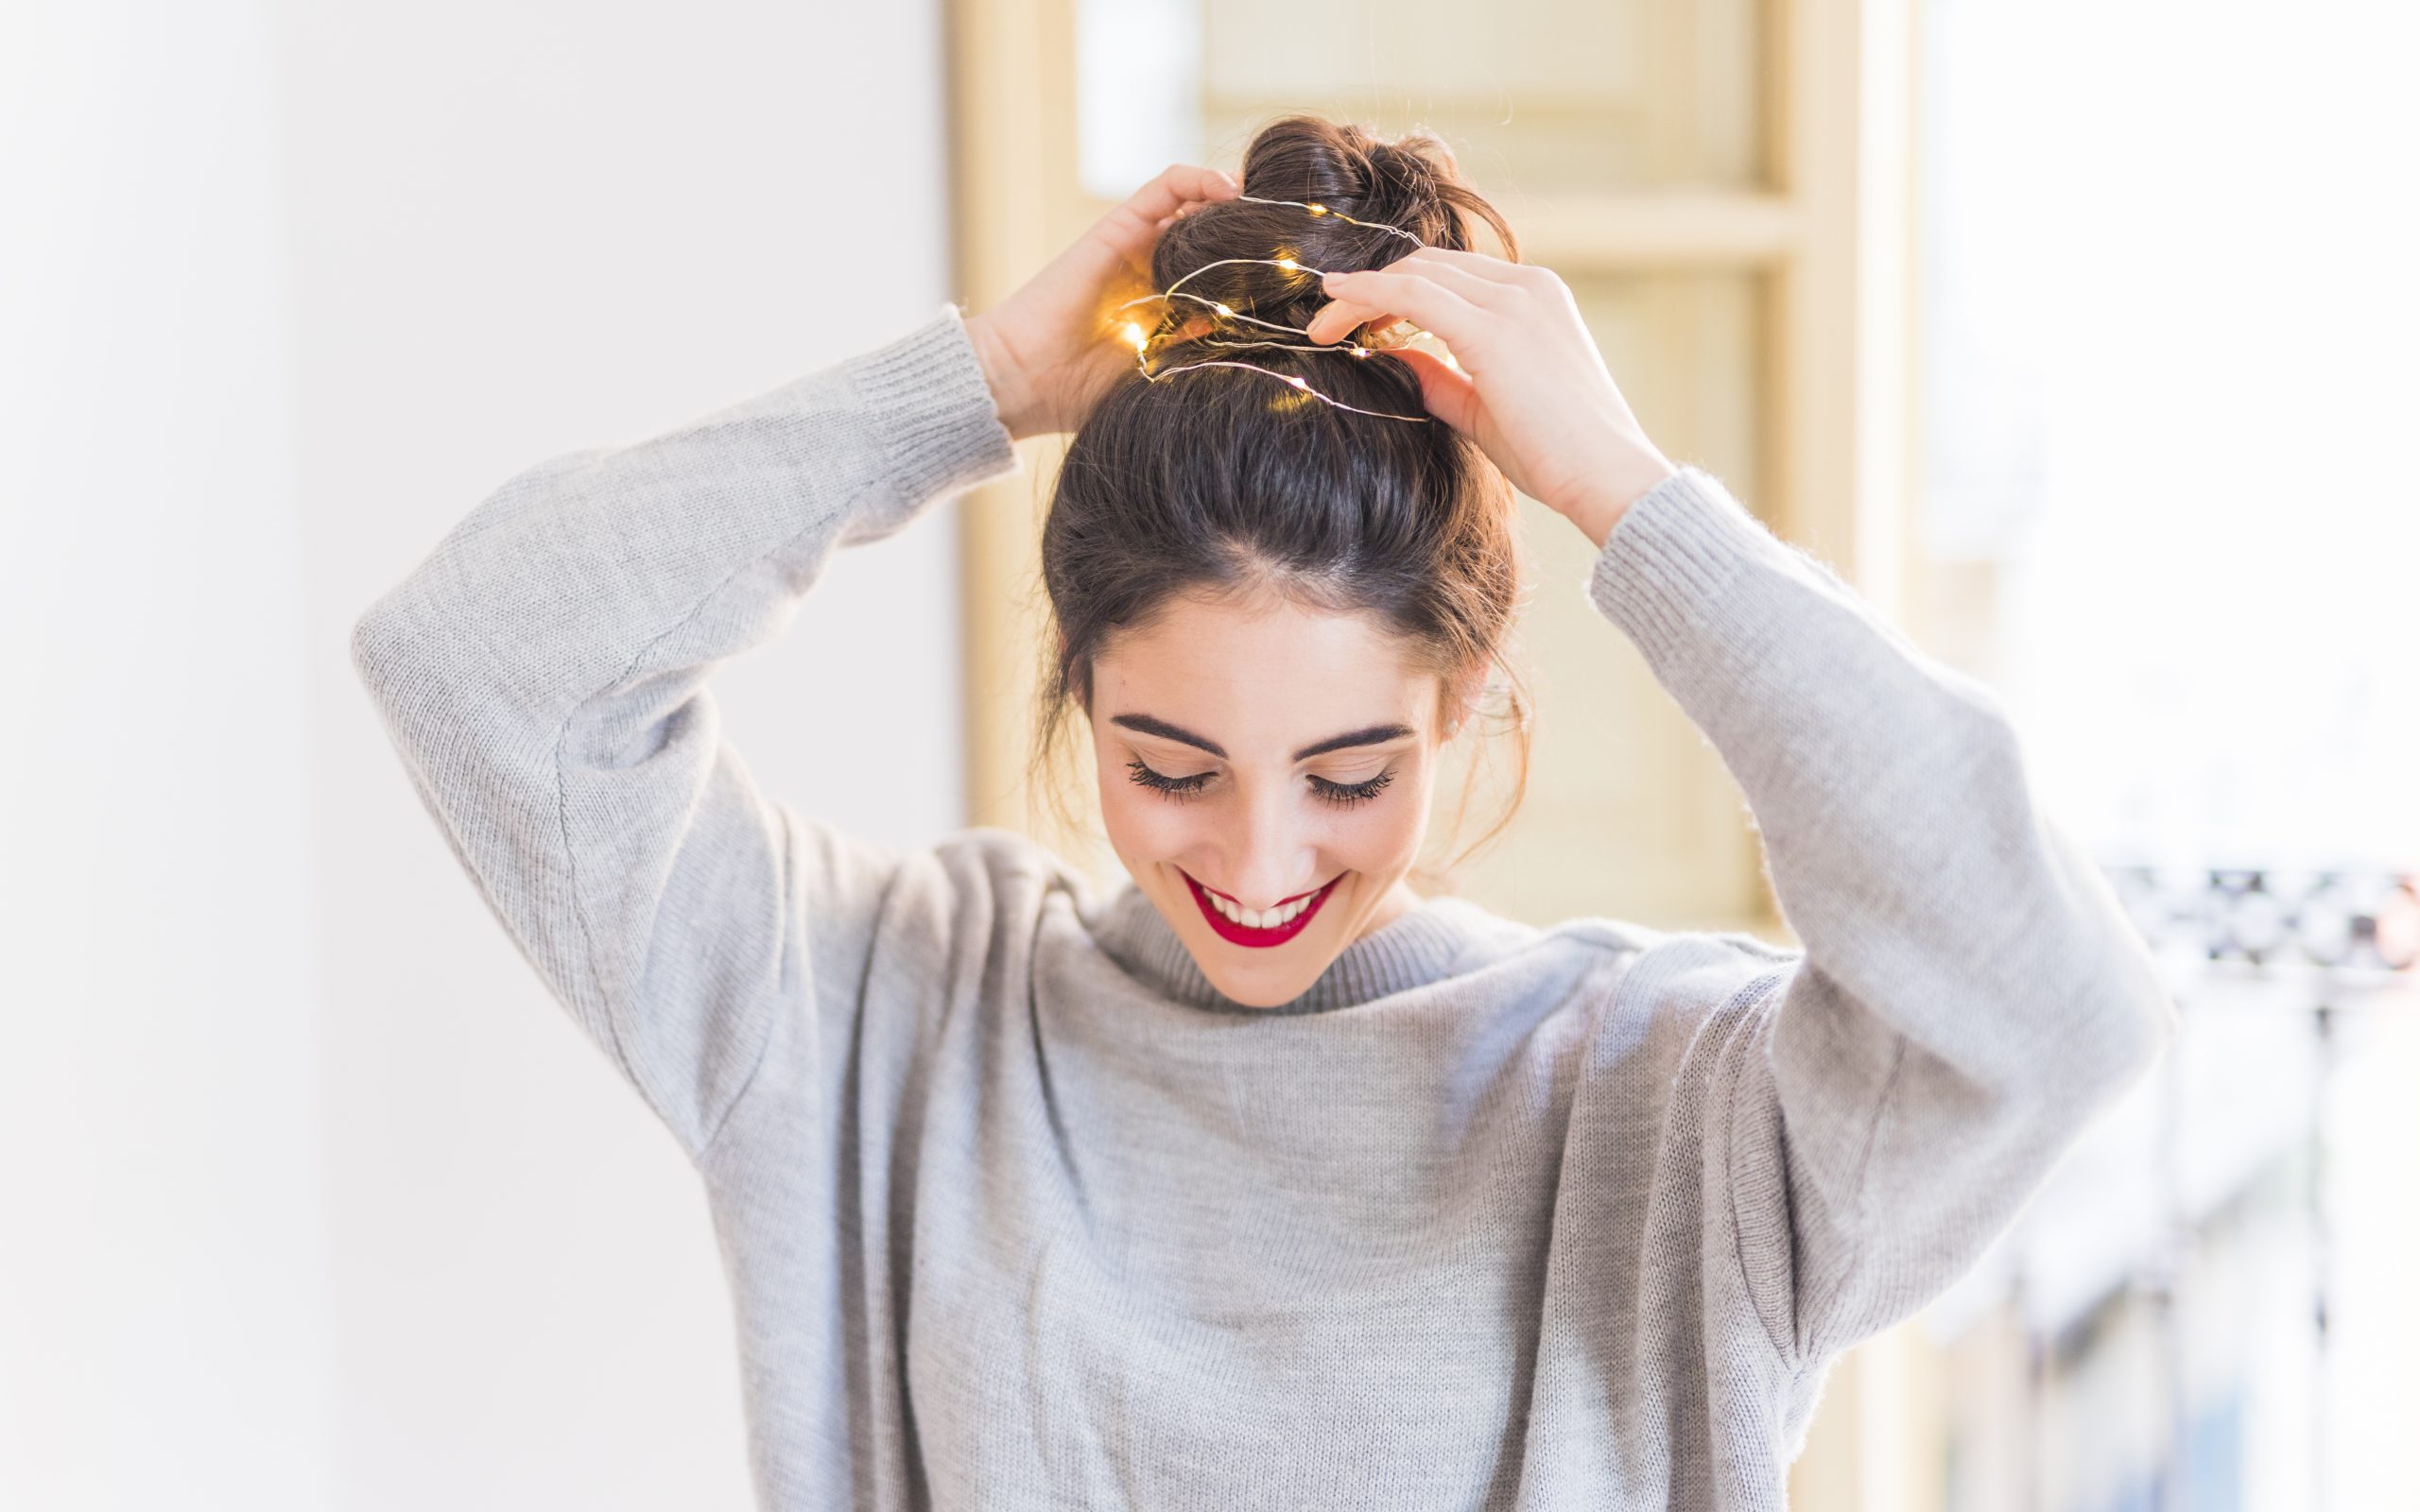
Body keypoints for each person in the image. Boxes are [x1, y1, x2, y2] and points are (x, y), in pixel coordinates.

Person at [352, 114, 2176, 1510]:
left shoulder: (1671, 1114)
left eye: (1350, 774)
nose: (1257, 863)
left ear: (1460, 704)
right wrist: (974, 386)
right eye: (1171, 766)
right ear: (1078, 689)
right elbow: (483, 655)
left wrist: (1624, 494)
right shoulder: (887, 1022)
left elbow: (2051, 1006)